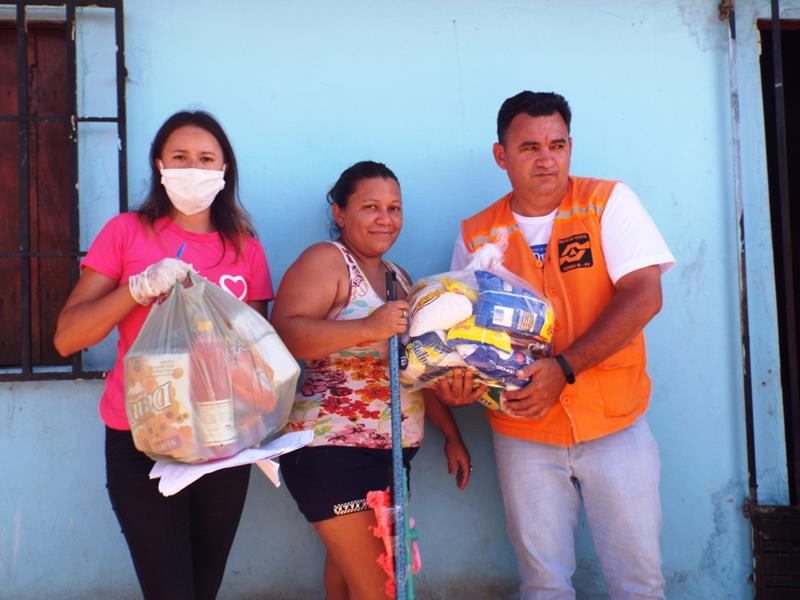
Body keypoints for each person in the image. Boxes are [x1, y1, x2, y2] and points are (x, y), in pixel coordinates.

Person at [440, 91, 676, 599]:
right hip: (523, 430)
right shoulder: (476, 235)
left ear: (571, 147)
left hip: (615, 423)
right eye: (529, 147)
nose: (546, 158)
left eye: (557, 144)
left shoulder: (608, 201)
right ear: (501, 155)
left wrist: (564, 368)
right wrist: (462, 388)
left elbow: (644, 296)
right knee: (543, 584)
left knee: (640, 582)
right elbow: (467, 338)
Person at [53, 111, 274, 600]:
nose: (193, 168)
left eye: (205, 158)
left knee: (202, 588)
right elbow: (68, 338)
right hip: (142, 437)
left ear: (223, 171)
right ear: (159, 165)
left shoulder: (246, 249)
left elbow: (259, 354)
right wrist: (137, 288)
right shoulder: (127, 233)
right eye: (180, 157)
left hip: (222, 441)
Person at [271, 160, 472, 600]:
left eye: (394, 208)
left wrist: (451, 433)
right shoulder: (328, 261)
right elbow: (284, 334)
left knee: (347, 583)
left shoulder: (400, 278)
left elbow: (413, 370)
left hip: (392, 455)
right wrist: (368, 328)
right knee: (383, 588)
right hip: (333, 453)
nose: (385, 218)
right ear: (340, 213)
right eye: (371, 207)